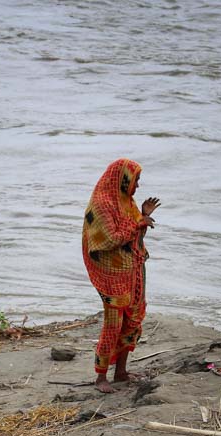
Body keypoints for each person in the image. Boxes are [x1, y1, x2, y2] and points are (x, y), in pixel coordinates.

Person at [82, 158, 160, 392]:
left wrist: (142, 217)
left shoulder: (126, 201)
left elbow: (135, 235)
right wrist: (138, 224)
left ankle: (122, 372)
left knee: (133, 320)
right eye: (135, 181)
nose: (137, 187)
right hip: (111, 275)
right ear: (122, 179)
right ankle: (101, 377)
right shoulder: (102, 204)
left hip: (133, 270)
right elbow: (108, 239)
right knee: (113, 324)